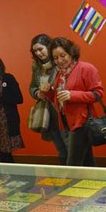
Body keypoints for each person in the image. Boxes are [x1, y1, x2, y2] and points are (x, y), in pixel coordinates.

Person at [40, 37, 103, 166]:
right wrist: (48, 92)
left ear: (71, 53)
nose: (59, 60)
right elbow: (57, 99)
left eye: (63, 55)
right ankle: (95, 179)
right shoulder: (60, 74)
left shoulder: (86, 68)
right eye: (55, 58)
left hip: (82, 122)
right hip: (66, 122)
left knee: (73, 164)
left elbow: (98, 94)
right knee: (87, 162)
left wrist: (72, 95)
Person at [29, 34, 68, 164]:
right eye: (35, 51)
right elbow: (32, 87)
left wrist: (51, 90)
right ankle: (66, 174)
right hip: (48, 112)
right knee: (60, 149)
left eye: (40, 49)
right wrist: (37, 94)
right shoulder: (36, 66)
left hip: (62, 110)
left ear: (48, 47)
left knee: (71, 147)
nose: (38, 53)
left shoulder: (59, 63)